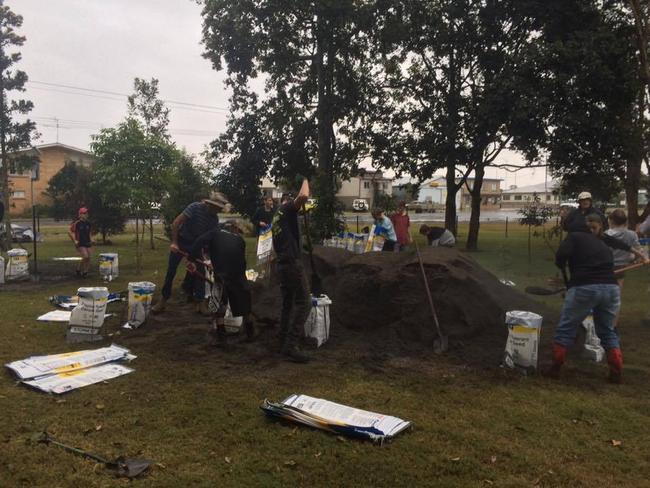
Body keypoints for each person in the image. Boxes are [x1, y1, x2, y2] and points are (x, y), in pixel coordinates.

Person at [547, 215, 650, 383]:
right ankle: (616, 371)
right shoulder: (600, 241)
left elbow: (561, 256)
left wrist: (562, 265)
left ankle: (555, 368)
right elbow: (618, 248)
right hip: (611, 288)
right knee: (607, 330)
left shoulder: (573, 237)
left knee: (566, 327)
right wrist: (642, 255)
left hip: (584, 287)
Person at [152, 193, 228, 314]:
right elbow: (176, 223)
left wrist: (211, 259)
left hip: (196, 246)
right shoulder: (194, 207)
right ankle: (163, 300)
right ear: (210, 204)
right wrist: (175, 243)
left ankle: (200, 303)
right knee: (171, 271)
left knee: (200, 273)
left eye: (220, 209)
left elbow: (211, 240)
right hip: (181, 242)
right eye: (217, 208)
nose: (218, 211)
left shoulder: (214, 220)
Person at [189, 221, 255, 348]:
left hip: (222, 274)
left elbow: (199, 241)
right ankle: (250, 332)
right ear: (233, 229)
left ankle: (221, 336)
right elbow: (240, 260)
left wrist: (191, 259)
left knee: (219, 302)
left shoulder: (214, 233)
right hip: (238, 274)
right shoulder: (240, 240)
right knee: (244, 304)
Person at [272, 180, 312, 363]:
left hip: (282, 263)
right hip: (292, 263)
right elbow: (304, 196)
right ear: (288, 200)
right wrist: (305, 179)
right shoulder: (288, 209)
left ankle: (281, 340)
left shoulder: (277, 216)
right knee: (305, 302)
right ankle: (291, 345)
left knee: (288, 303)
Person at [68, 207, 93, 277]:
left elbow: (89, 233)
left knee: (88, 257)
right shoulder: (77, 223)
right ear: (80, 215)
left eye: (86, 213)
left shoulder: (88, 223)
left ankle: (85, 272)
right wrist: (75, 240)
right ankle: (79, 269)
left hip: (87, 242)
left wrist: (91, 239)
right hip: (80, 243)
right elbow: (69, 232)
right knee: (85, 256)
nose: (86, 215)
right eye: (84, 213)